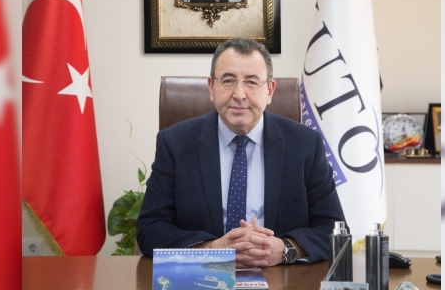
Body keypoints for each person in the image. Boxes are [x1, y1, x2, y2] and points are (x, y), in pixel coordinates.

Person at [137, 38, 346, 267]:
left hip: (281, 277)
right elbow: (150, 229)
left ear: (269, 91)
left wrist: (285, 249)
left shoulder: (306, 144)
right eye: (228, 81)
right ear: (211, 87)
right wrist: (213, 249)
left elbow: (334, 228)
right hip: (204, 275)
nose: (239, 94)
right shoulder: (175, 144)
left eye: (251, 82)